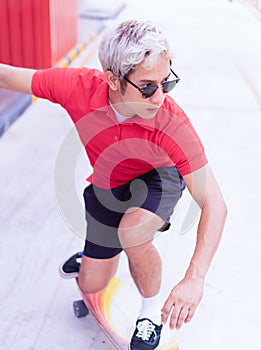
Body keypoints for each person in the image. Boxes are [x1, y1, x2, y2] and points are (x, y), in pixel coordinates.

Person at [0, 20, 227, 350]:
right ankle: (91, 256)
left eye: (167, 83)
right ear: (112, 79)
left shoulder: (172, 123)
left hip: (158, 177)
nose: (160, 97)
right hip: (108, 182)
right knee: (93, 283)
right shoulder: (75, 86)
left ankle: (149, 315)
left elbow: (214, 202)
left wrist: (195, 277)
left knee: (132, 232)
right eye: (147, 86)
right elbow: (6, 76)